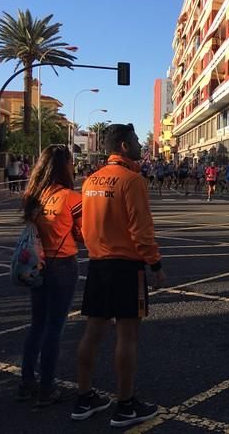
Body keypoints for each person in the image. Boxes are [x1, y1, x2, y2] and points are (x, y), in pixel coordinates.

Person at [73, 124, 165, 427]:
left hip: (98, 264)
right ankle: (125, 405)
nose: (140, 144)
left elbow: (85, 226)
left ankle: (84, 397)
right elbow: (141, 230)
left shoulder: (90, 181)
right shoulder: (131, 180)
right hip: (126, 266)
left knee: (93, 332)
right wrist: (155, 264)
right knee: (127, 336)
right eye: (137, 140)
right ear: (124, 146)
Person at [17, 145, 81, 407]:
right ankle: (47, 387)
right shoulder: (71, 198)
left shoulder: (33, 195)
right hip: (62, 264)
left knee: (37, 324)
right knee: (55, 327)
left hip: (36, 264)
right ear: (64, 165)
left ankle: (26, 382)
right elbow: (83, 233)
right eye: (71, 162)